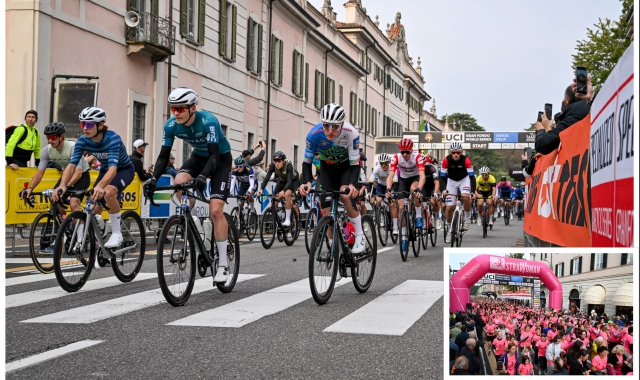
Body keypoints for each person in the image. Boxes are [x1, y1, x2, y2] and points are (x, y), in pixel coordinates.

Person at [145, 87, 232, 283]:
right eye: (173, 109)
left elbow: (214, 156)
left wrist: (202, 176)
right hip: (198, 158)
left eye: (180, 109)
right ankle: (195, 224)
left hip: (219, 159)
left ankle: (224, 264)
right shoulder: (171, 125)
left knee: (216, 210)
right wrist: (153, 179)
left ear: (193, 108)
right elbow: (163, 156)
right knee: (179, 182)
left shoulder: (208, 121)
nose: (176, 113)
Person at [52, 107, 135, 249]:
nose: (85, 128)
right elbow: (71, 166)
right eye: (82, 124)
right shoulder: (83, 141)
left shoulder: (113, 138)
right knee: (92, 207)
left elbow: (113, 169)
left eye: (89, 124)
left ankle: (117, 233)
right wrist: (62, 185)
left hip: (123, 169)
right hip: (105, 170)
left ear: (100, 125)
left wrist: (100, 186)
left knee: (108, 192)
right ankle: (101, 241)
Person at [299, 103, 367, 272]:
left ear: (342, 125)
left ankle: (359, 234)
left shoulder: (351, 134)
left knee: (345, 194)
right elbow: (306, 163)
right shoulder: (313, 135)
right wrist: (306, 182)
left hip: (346, 168)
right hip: (327, 170)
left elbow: (355, 164)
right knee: (326, 211)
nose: (330, 130)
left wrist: (352, 185)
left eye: (335, 126)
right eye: (326, 126)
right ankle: (334, 252)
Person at [21, 122, 91, 253]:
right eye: (48, 137)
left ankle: (80, 239)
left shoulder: (72, 147)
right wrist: (30, 188)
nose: (50, 140)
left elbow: (78, 172)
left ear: (61, 137)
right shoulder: (47, 150)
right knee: (55, 199)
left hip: (81, 176)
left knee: (74, 202)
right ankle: (68, 224)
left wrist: (65, 186)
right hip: (66, 174)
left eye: (53, 137)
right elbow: (39, 173)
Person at [385, 138, 426, 250]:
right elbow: (390, 175)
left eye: (407, 152)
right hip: (403, 180)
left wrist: (419, 188)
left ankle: (418, 216)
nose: (405, 154)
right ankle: (403, 237)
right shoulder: (396, 158)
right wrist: (388, 188)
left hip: (415, 178)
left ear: (411, 150)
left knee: (414, 189)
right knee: (401, 207)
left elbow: (422, 175)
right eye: (402, 152)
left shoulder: (417, 157)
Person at [535, 77, 593, 155]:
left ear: (566, 101)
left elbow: (542, 145)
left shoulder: (574, 116)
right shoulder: (598, 107)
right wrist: (592, 96)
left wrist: (542, 130)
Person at [439, 142, 475, 243]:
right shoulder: (446, 160)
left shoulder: (466, 160)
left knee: (465, 197)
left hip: (464, 179)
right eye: (453, 152)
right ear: (451, 153)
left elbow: (472, 177)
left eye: (458, 152)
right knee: (449, 207)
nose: (455, 154)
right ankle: (450, 230)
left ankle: (467, 218)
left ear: (461, 152)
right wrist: (443, 190)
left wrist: (472, 191)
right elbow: (442, 177)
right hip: (451, 181)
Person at [257, 152, 300, 226]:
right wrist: (261, 189)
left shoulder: (288, 165)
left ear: (283, 161)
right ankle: (277, 220)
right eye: (275, 161)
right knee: (274, 200)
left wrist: (283, 191)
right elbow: (266, 178)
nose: (277, 163)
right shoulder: (273, 166)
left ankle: (287, 220)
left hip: (292, 181)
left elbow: (289, 181)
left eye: (279, 161)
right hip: (282, 181)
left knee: (287, 195)